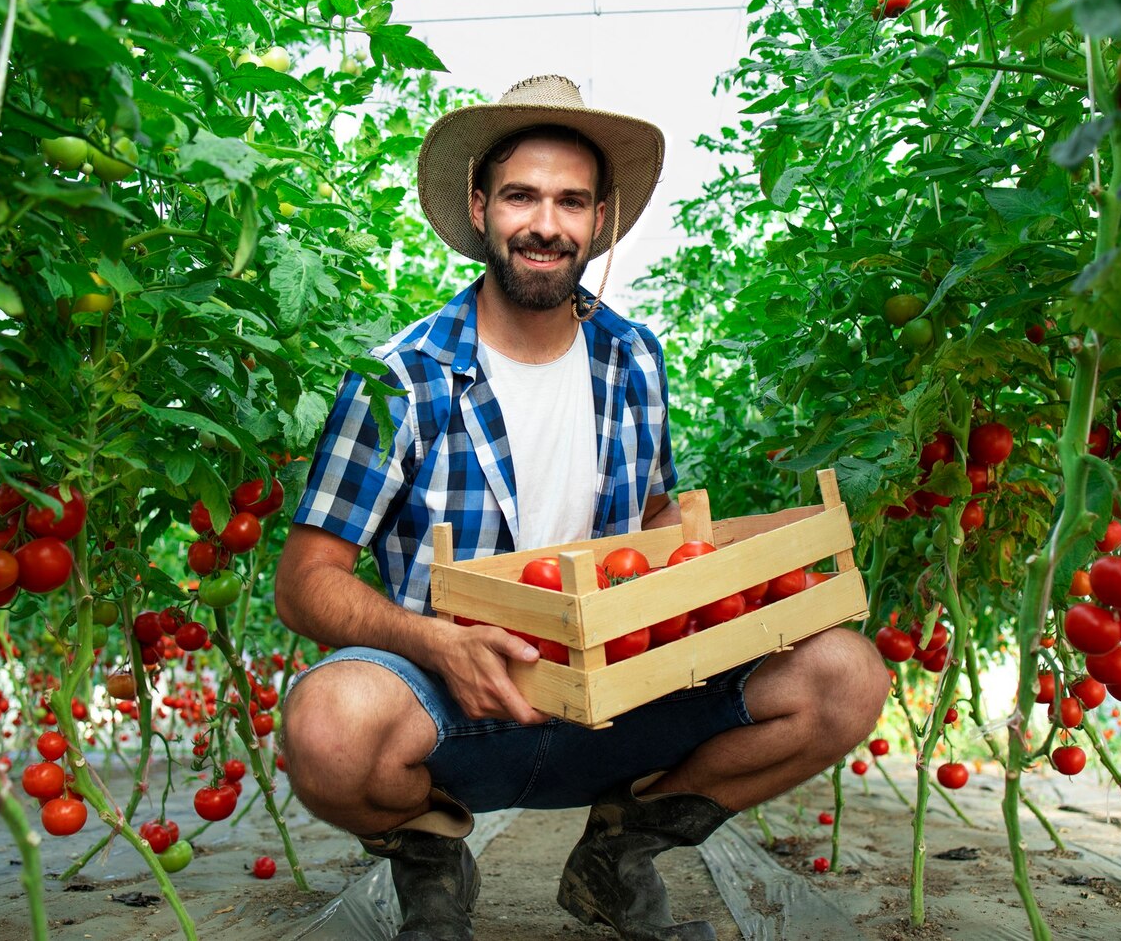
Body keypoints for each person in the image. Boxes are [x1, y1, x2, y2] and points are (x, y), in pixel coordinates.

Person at [276, 75, 890, 941]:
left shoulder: (634, 359)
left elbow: (649, 524)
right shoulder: (404, 379)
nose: (545, 224)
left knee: (847, 675)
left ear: (600, 220)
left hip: (624, 695)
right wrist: (436, 644)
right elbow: (304, 582)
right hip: (462, 707)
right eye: (522, 195)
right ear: (481, 206)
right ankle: (429, 856)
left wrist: (755, 560)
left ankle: (618, 852)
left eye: (571, 201)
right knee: (329, 725)